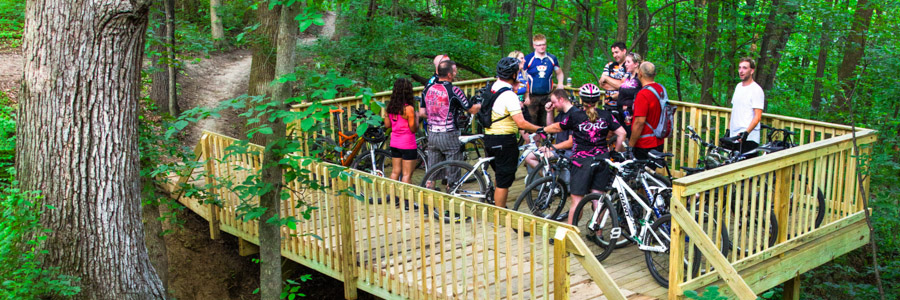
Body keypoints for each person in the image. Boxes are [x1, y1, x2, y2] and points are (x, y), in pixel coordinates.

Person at [541, 86, 626, 226]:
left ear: (581, 99)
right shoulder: (606, 115)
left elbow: (558, 127)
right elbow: (622, 133)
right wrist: (615, 152)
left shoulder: (575, 116)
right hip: (602, 160)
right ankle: (598, 233)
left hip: (581, 162)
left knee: (577, 201)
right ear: (599, 100)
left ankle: (570, 233)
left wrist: (542, 129)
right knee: (598, 199)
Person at [484, 57, 542, 208]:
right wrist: (540, 129)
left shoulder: (494, 87)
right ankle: (501, 212)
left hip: (489, 137)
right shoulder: (509, 95)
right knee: (504, 182)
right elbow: (521, 123)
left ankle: (499, 204)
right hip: (504, 140)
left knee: (500, 175)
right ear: (514, 75)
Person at [419, 60, 481, 188]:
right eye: (454, 70)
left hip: (432, 134)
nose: (456, 72)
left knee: (432, 173)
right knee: (453, 173)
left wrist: (435, 115)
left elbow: (422, 112)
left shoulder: (428, 89)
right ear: (449, 75)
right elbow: (471, 109)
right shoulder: (454, 91)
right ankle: (452, 198)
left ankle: (428, 204)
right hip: (449, 134)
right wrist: (483, 104)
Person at [523, 88, 574, 171]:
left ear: (561, 99)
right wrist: (549, 112)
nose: (553, 105)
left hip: (568, 152)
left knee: (543, 157)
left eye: (554, 102)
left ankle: (553, 180)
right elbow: (551, 128)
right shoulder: (562, 113)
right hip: (559, 150)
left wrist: (551, 148)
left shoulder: (574, 114)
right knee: (529, 157)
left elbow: (570, 143)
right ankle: (550, 180)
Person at [523, 34, 565, 127]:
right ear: (534, 46)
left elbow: (559, 73)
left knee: (547, 123)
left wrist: (560, 84)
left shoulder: (552, 58)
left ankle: (545, 141)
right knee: (531, 124)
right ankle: (534, 141)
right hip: (532, 96)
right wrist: (526, 96)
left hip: (547, 96)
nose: (542, 47)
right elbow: (523, 78)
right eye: (539, 45)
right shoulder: (528, 59)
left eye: (543, 44)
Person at [628, 61, 667, 160]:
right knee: (650, 173)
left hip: (644, 144)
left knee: (639, 174)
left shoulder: (643, 94)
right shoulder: (661, 89)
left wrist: (630, 146)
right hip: (659, 141)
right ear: (655, 74)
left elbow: (639, 122)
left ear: (640, 73)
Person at [727, 57, 765, 153]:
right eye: (739, 68)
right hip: (734, 136)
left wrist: (746, 133)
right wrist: (728, 130)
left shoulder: (756, 90)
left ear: (752, 71)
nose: (741, 71)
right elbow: (734, 110)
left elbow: (757, 116)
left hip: (748, 138)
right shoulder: (738, 87)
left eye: (744, 68)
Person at [384, 78, 418, 183]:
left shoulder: (390, 107)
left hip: (394, 142)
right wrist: (416, 118)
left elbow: (387, 125)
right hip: (408, 143)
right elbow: (413, 129)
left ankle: (393, 195)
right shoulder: (409, 109)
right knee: (407, 174)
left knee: (395, 171)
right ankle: (406, 198)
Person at [611, 52, 643, 136]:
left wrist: (632, 108)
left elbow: (641, 95)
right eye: (625, 62)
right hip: (620, 112)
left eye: (628, 62)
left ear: (636, 64)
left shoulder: (639, 79)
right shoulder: (628, 78)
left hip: (630, 114)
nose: (626, 64)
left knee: (629, 135)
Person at [508, 50, 532, 143]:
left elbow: (526, 89)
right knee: (526, 136)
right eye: (522, 58)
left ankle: (529, 156)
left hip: (523, 107)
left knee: (531, 136)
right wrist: (516, 102)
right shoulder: (508, 74)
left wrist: (527, 97)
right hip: (512, 110)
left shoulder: (524, 74)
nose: (524, 60)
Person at [598, 42, 628, 107]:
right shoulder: (609, 66)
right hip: (608, 105)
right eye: (613, 53)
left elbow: (623, 86)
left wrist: (606, 78)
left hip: (623, 106)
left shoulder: (629, 66)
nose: (614, 55)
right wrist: (618, 86)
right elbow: (601, 84)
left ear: (624, 51)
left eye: (616, 52)